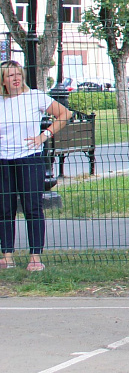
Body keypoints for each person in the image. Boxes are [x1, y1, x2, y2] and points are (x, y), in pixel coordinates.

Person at [0, 60, 71, 272]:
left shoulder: (35, 97)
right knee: (5, 209)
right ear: (3, 80)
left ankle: (35, 257)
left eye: (18, 74)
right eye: (10, 75)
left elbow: (64, 114)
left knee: (32, 207)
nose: (15, 79)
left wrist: (44, 135)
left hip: (29, 157)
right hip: (3, 160)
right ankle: (7, 256)